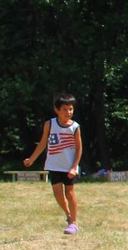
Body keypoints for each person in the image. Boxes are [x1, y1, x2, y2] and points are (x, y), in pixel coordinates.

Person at [23, 93, 83, 235]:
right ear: (56, 110)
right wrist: (31, 159)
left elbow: (79, 148)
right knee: (57, 194)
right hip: (54, 165)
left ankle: (74, 223)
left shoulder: (75, 127)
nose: (68, 112)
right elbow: (43, 143)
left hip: (69, 166)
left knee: (69, 192)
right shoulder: (49, 125)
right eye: (65, 109)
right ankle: (68, 215)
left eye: (70, 109)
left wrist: (74, 167)